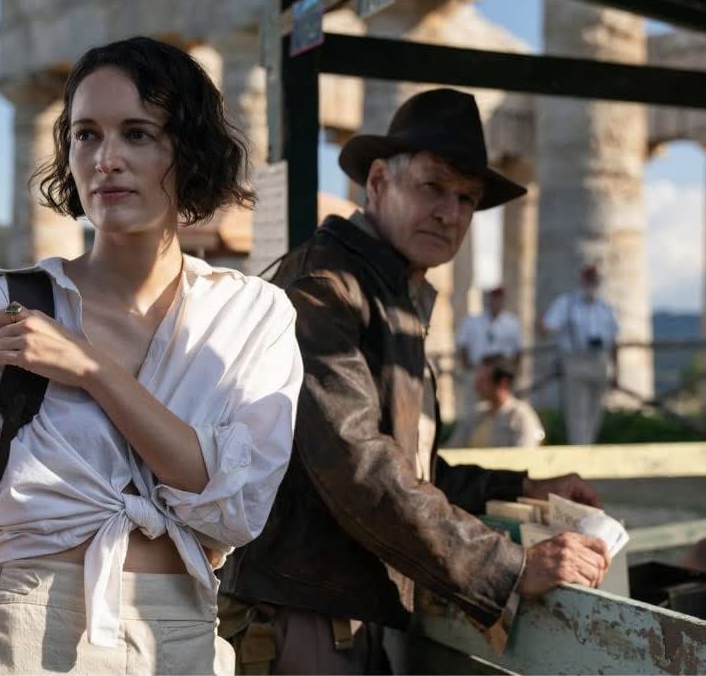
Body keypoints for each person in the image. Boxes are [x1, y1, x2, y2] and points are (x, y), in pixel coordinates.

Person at [0, 37, 302, 675]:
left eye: (139, 133)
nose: (106, 159)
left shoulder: (252, 315)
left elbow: (235, 507)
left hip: (178, 639)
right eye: (86, 135)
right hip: (22, 636)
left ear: (190, 150)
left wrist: (90, 370)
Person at [218, 88, 610, 674]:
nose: (450, 212)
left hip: (346, 613)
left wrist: (524, 484)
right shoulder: (324, 288)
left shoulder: (391, 294)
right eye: (433, 187)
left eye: (466, 198)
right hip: (301, 615)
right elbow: (359, 466)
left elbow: (412, 468)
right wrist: (509, 567)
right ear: (377, 182)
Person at [542, 264, 619, 445]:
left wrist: (616, 371)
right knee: (577, 412)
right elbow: (546, 327)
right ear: (582, 281)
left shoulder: (605, 308)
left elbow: (614, 342)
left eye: (595, 280)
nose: (592, 283)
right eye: (589, 279)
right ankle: (579, 450)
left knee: (595, 412)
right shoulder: (567, 303)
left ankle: (589, 447)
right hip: (575, 360)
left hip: (599, 361)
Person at [445, 354, 545, 449]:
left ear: (503, 382)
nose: (477, 386)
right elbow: (453, 449)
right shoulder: (476, 415)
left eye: (483, 381)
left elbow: (525, 454)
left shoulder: (520, 416)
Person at [456, 286, 522, 416]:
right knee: (475, 408)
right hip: (478, 369)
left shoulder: (512, 322)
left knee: (502, 408)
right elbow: (462, 345)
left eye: (499, 300)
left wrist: (513, 370)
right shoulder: (472, 321)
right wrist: (467, 367)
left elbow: (518, 350)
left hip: (501, 373)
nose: (496, 303)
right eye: (494, 299)